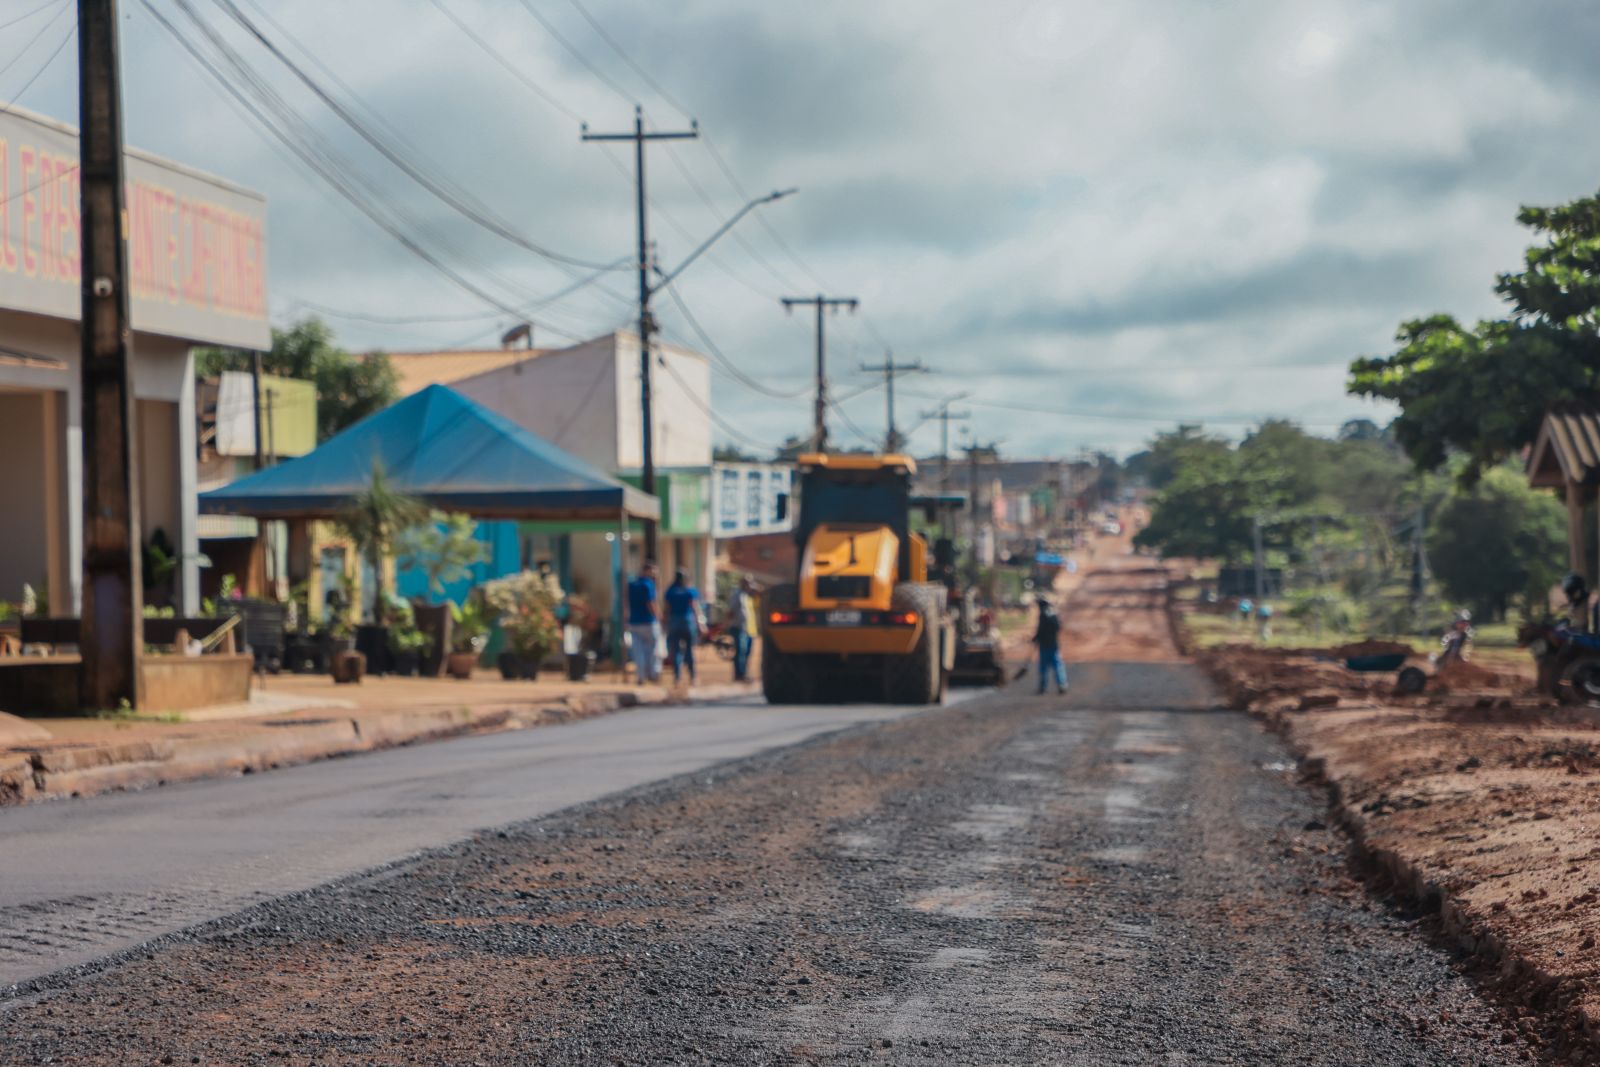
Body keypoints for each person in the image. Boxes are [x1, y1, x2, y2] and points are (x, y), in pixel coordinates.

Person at [664, 567, 702, 684]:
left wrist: (665, 623)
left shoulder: (670, 591)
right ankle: (692, 676)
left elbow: (666, 609)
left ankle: (677, 677)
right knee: (689, 650)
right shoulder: (690, 591)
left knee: (676, 651)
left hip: (674, 622)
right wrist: (700, 624)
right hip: (687, 622)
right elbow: (695, 608)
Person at [626, 561, 660, 684]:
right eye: (653, 571)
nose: (655, 574)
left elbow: (626, 602)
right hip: (648, 622)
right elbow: (650, 603)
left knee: (638, 650)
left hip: (634, 622)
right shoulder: (648, 584)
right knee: (652, 649)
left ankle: (640, 676)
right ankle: (652, 673)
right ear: (647, 571)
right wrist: (658, 616)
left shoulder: (631, 584)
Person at [1033, 595, 1068, 695]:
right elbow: (1058, 627)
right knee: (1058, 666)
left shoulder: (1043, 614)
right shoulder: (1053, 613)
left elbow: (1040, 629)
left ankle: (1042, 687)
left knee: (1043, 668)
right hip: (1053, 644)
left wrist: (1037, 638)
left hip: (1045, 645)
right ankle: (1062, 685)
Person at [725, 575, 757, 682]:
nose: (749, 585)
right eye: (747, 583)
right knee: (740, 652)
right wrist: (726, 624)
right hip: (738, 628)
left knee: (746, 652)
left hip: (748, 629)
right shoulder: (737, 595)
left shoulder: (747, 596)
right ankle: (739, 675)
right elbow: (730, 611)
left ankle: (744, 673)